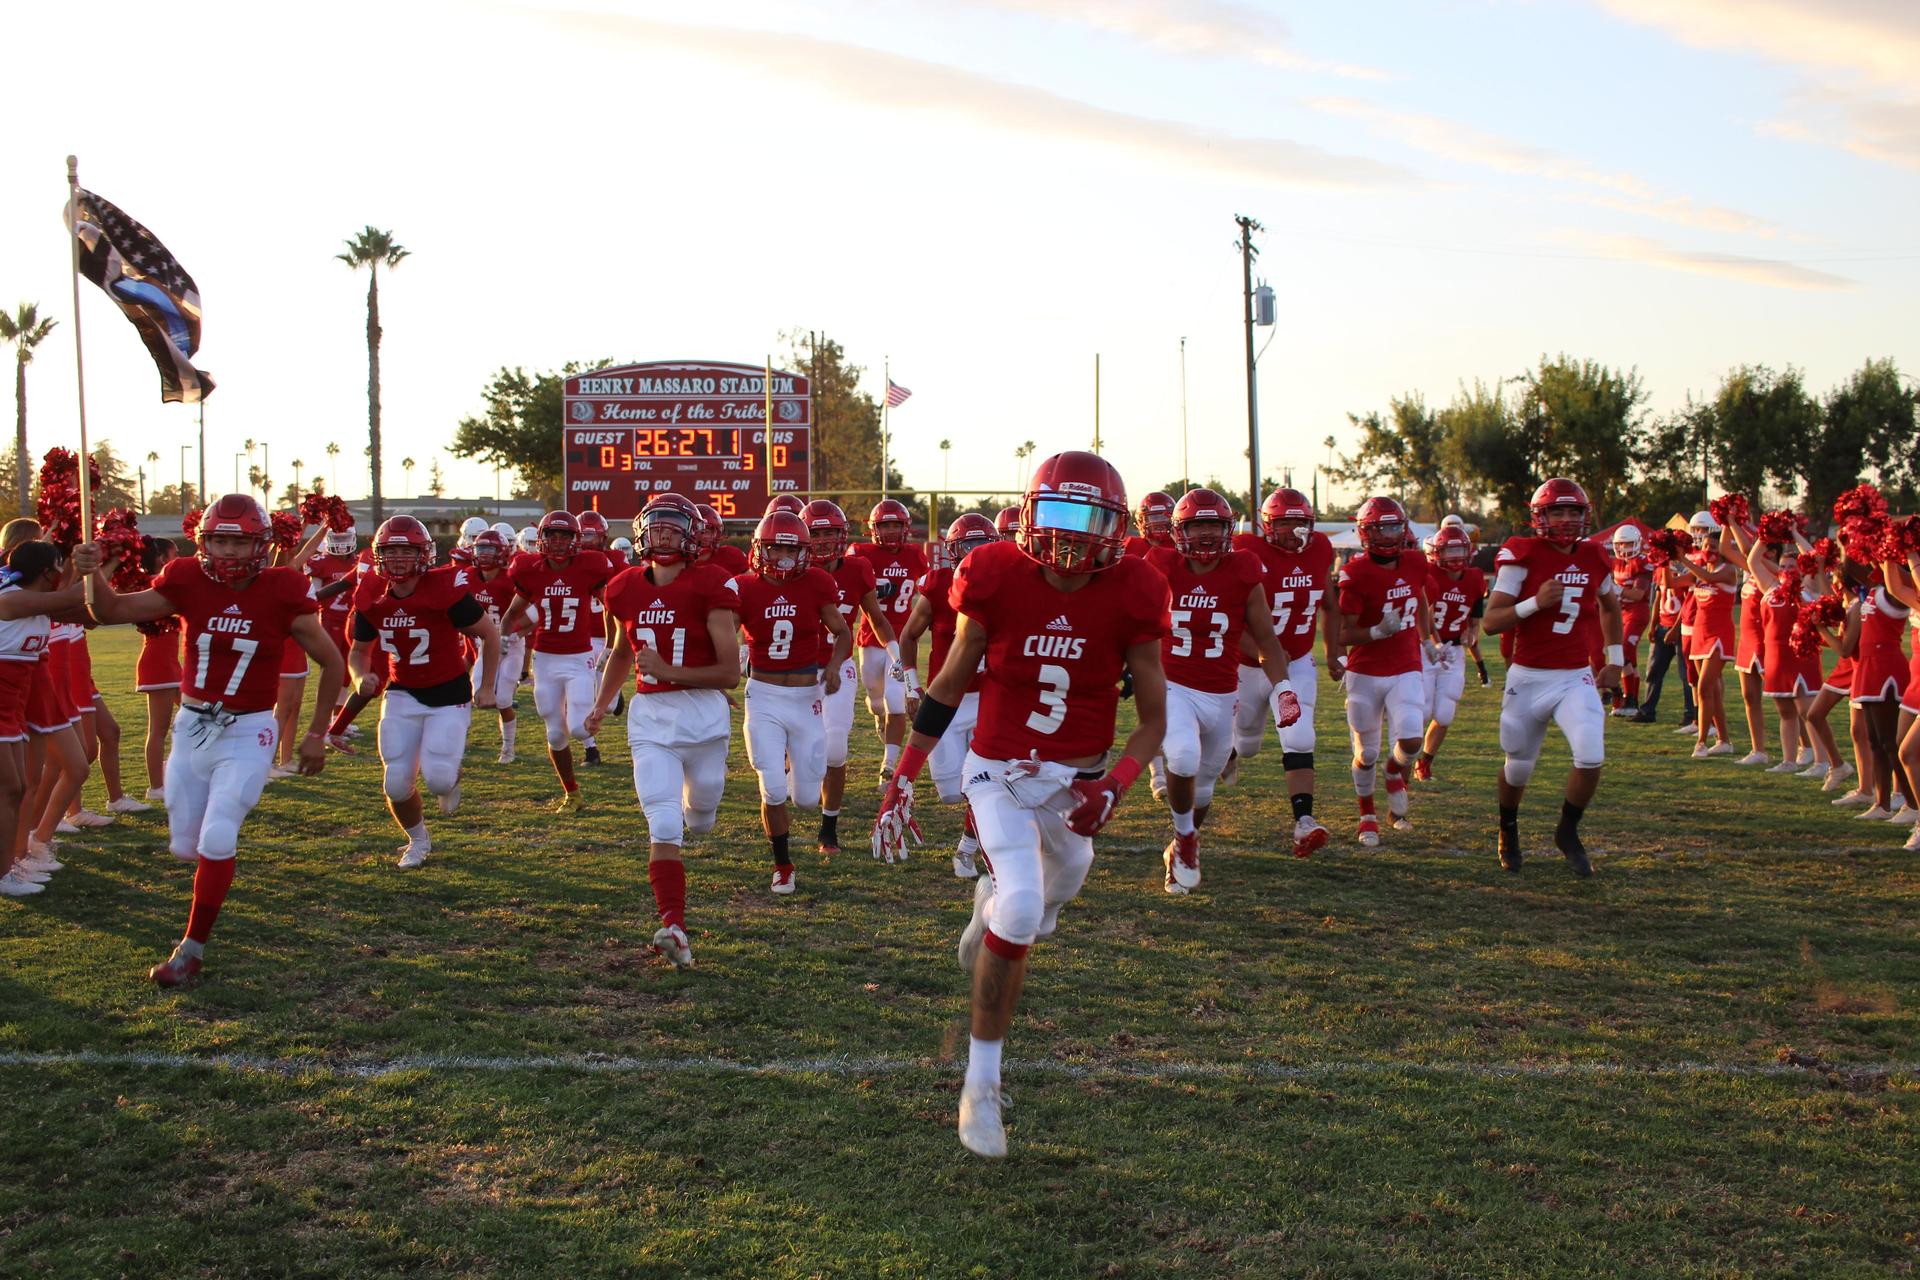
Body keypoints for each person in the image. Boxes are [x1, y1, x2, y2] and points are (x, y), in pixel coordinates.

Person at [872, 450, 1167, 1158]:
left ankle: (987, 908)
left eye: (1088, 518)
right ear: (1030, 515)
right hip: (997, 770)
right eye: (1057, 515)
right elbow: (947, 684)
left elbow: (1153, 719)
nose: (1069, 536)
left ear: (1115, 527)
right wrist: (903, 771)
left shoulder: (1134, 589)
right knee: (1025, 905)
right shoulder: (995, 574)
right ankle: (981, 1085)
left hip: (1076, 781)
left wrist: (1116, 785)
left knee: (1041, 906)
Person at [76, 495, 344, 985]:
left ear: (260, 544)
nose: (227, 552)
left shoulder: (283, 588)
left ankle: (190, 949)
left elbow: (333, 663)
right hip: (193, 726)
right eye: (219, 539)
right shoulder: (187, 579)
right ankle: (208, 895)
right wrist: (92, 572)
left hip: (249, 729)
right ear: (203, 541)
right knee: (185, 846)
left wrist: (315, 733)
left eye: (238, 541)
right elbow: (109, 611)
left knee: (219, 835)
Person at [585, 493, 740, 969]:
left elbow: (729, 673)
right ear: (641, 534)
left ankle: (679, 899)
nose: (664, 534)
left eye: (674, 527)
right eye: (656, 527)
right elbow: (620, 651)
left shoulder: (712, 584)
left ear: (692, 536)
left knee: (702, 815)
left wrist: (672, 670)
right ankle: (674, 924)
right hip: (650, 720)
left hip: (705, 719)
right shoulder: (623, 587)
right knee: (664, 822)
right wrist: (600, 703)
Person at [1144, 488, 1298, 893]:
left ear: (1228, 528)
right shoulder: (1159, 565)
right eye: (1198, 526)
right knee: (1182, 755)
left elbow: (1266, 640)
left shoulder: (1243, 571)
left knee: (1207, 784)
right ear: (1180, 531)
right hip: (1172, 684)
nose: (1207, 535)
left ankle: (1179, 845)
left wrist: (1283, 688)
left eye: (1214, 524)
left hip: (1222, 691)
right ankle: (1187, 839)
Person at [1482, 478, 1622, 877]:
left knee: (1591, 753)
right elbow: (1491, 622)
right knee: (1518, 767)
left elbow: (1611, 607)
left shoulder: (1595, 555)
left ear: (1585, 516)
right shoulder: (1522, 555)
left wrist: (1614, 658)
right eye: (1557, 511)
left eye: (1573, 512)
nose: (1566, 519)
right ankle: (1508, 827)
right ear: (1539, 517)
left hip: (1574, 675)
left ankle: (1568, 830)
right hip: (1527, 677)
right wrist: (1534, 603)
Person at [348, 517, 499, 867]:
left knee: (439, 780)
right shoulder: (371, 594)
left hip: (449, 693)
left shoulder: (444, 589)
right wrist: (360, 677)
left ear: (423, 554)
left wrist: (486, 685)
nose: (399, 558)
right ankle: (417, 841)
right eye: (391, 550)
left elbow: (489, 634)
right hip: (402, 691)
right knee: (396, 783)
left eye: (406, 550)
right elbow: (358, 651)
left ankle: (452, 777)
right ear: (379, 554)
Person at [730, 510, 851, 893]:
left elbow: (843, 631)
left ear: (804, 551)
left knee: (805, 799)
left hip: (806, 696)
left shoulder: (817, 581)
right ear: (759, 549)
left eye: (790, 548)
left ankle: (791, 780)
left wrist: (834, 664)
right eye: (775, 547)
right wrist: (723, 672)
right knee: (771, 785)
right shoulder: (743, 587)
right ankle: (782, 865)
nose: (783, 555)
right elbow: (724, 635)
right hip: (762, 695)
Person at [1226, 487, 1340, 857]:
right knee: (1248, 744)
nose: (1295, 530)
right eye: (1286, 522)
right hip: (1247, 667)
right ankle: (1230, 752)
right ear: (1267, 525)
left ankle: (1303, 822)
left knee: (1300, 736)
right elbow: (1227, 616)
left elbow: (1329, 604)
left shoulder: (1322, 548)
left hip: (1298, 663)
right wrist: (1261, 649)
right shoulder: (1246, 551)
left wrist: (1334, 651)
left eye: (1300, 522)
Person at [895, 512, 999, 877]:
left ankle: (968, 850)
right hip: (946, 701)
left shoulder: (1006, 585)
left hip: (989, 699)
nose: (974, 552)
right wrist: (911, 684)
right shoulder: (937, 584)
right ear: (953, 550)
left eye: (982, 544)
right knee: (953, 792)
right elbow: (908, 636)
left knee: (984, 786)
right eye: (967, 544)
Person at [499, 511, 619, 811]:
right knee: (554, 733)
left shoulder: (588, 568)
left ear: (575, 540)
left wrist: (609, 647)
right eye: (551, 534)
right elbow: (513, 612)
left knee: (578, 729)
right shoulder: (532, 570)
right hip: (545, 661)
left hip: (579, 658)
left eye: (564, 535)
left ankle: (608, 705)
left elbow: (611, 609)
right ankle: (572, 793)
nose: (557, 541)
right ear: (541, 538)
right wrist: (502, 638)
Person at [1336, 496, 1432, 846]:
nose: (1390, 534)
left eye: (1394, 526)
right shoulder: (1356, 572)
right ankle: (1367, 815)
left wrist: (1427, 638)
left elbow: (1420, 598)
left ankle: (1394, 771)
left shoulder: (1416, 561)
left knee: (1411, 740)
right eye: (1382, 527)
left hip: (1406, 664)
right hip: (1366, 670)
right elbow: (1343, 633)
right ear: (1365, 532)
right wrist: (1377, 631)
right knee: (1366, 753)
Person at [803, 499, 895, 854]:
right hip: (792, 671)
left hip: (837, 666)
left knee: (837, 747)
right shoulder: (793, 571)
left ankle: (829, 828)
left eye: (830, 532)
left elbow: (876, 617)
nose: (824, 540)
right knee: (797, 756)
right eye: (816, 532)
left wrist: (895, 653)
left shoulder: (857, 569)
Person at [0, 542, 92, 897]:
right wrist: (96, 563)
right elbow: (73, 596)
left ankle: (9, 868)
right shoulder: (12, 599)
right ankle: (4, 874)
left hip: (13, 709)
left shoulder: (37, 607)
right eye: (58, 566)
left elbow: (86, 607)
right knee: (9, 789)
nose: (61, 573)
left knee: (16, 789)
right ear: (46, 572)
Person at [1745, 536, 1836, 778]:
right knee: (1786, 712)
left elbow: (1815, 559)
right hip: (1776, 658)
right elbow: (1753, 560)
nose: (1785, 571)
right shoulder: (1770, 587)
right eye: (1782, 566)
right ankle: (1789, 760)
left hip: (1802, 657)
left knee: (1808, 711)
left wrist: (1795, 533)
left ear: (1801, 570)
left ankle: (1821, 762)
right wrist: (1766, 535)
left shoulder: (1809, 589)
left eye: (1791, 567)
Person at [851, 499, 923, 783]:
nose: (891, 530)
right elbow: (849, 582)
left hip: (902, 639)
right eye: (885, 525)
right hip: (870, 639)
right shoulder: (861, 553)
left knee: (896, 701)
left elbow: (928, 587)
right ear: (873, 528)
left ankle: (888, 764)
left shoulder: (916, 555)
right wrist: (879, 587)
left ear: (905, 528)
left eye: (896, 525)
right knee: (875, 699)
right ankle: (878, 715)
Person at [1415, 524, 1486, 780]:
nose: (1455, 557)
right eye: (1449, 551)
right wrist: (1433, 644)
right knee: (1421, 711)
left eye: (1459, 550)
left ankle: (1425, 762)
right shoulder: (1430, 575)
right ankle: (1402, 758)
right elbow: (1425, 615)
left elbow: (1475, 621)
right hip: (1426, 648)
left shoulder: (1476, 578)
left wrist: (1472, 635)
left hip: (1454, 650)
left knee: (1445, 713)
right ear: (1437, 554)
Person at [1668, 512, 1738, 758]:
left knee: (1705, 687)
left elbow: (1708, 577)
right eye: (1707, 545)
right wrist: (1665, 561)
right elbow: (1672, 584)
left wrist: (1682, 560)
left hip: (1719, 635)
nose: (1709, 549)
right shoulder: (1699, 571)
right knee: (1711, 691)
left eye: (1714, 546)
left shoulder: (1728, 571)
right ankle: (1724, 740)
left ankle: (1701, 741)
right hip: (1699, 633)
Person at [132, 535, 184, 804]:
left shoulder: (161, 584)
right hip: (158, 664)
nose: (178, 559)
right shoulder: (155, 586)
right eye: (175, 554)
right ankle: (156, 786)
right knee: (158, 730)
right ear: (163, 559)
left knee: (196, 717)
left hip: (170, 663)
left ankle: (176, 770)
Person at [467, 530, 523, 763]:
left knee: (502, 700)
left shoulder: (510, 580)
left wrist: (515, 634)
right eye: (480, 549)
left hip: (512, 646)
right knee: (476, 694)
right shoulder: (468, 576)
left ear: (501, 552)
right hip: (485, 645)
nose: (484, 555)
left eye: (489, 550)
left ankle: (508, 748)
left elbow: (533, 614)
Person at [1609, 526, 1653, 717]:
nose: (1623, 547)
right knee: (1624, 655)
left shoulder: (1641, 562)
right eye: (1620, 544)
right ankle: (1629, 699)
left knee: (1625, 649)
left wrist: (1617, 590)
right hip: (1621, 611)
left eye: (1627, 543)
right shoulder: (1616, 563)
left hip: (1637, 611)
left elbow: (1637, 594)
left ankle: (1631, 699)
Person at [695, 504, 751, 577]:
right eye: (698, 531)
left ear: (717, 532)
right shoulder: (679, 563)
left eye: (708, 531)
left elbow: (749, 583)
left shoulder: (731, 556)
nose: (704, 536)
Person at [1123, 492, 1175, 558]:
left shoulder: (1179, 546)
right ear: (1141, 520)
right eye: (1154, 517)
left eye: (1163, 517)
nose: (1159, 522)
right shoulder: (1130, 546)